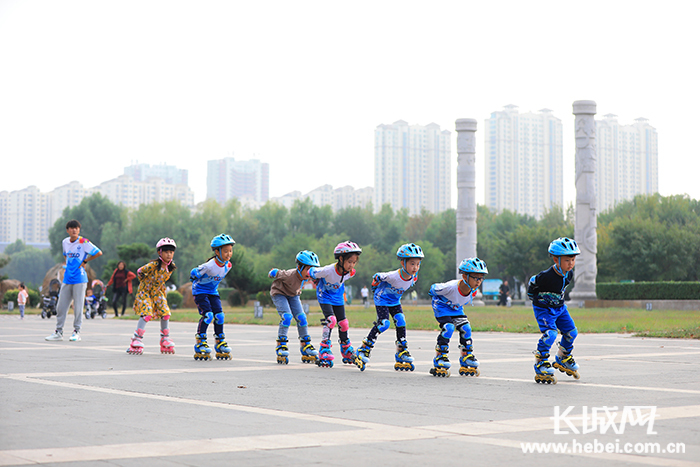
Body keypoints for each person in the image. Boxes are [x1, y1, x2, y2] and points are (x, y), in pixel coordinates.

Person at [355, 243, 423, 372]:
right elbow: (377, 277)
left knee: (401, 320)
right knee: (384, 324)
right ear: (403, 263)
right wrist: (375, 287)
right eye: (412, 264)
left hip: (394, 300)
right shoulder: (393, 276)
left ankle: (401, 351)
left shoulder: (414, 277)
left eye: (418, 264)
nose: (415, 267)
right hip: (382, 299)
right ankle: (364, 349)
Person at [528, 237, 581, 384]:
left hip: (560, 308)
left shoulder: (569, 274)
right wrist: (534, 298)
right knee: (550, 334)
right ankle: (541, 362)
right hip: (544, 308)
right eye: (567, 260)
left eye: (573, 260)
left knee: (572, 332)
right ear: (556, 260)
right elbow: (533, 282)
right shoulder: (546, 276)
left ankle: (563, 357)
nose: (570, 264)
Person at [428, 257, 488, 378]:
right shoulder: (450, 287)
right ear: (465, 276)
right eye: (475, 277)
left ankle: (466, 356)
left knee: (466, 328)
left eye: (481, 278)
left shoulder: (473, 290)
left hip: (456, 308)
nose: (478, 281)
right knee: (449, 327)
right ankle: (440, 356)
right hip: (442, 305)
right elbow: (433, 288)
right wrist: (437, 297)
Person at [45, 220, 103, 342]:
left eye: (76, 228)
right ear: (67, 230)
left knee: (78, 306)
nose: (74, 230)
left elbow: (98, 252)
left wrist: (85, 261)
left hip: (80, 279)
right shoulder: (65, 242)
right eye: (71, 228)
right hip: (67, 278)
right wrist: (68, 264)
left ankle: (77, 331)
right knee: (61, 306)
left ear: (79, 229)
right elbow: (65, 255)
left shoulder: (83, 242)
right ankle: (58, 332)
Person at [309, 241, 361, 368]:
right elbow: (312, 272)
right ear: (341, 259)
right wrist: (314, 278)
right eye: (349, 262)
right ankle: (324, 348)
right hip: (325, 295)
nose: (352, 265)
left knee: (343, 323)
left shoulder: (351, 272)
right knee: (331, 320)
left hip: (337, 297)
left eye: (354, 262)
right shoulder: (327, 270)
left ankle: (346, 348)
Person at [126, 238, 177, 355]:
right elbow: (140, 271)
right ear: (160, 253)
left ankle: (165, 338)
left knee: (166, 313)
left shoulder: (171, 267)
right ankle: (136, 339)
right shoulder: (153, 265)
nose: (169, 254)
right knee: (147, 313)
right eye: (166, 252)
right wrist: (145, 282)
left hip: (158, 292)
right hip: (145, 291)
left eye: (171, 252)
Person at [269, 250, 320, 364]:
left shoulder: (308, 277)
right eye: (307, 269)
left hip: (293, 295)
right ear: (299, 267)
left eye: (312, 270)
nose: (309, 273)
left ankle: (305, 345)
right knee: (287, 317)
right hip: (279, 293)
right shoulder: (290, 275)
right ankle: (281, 345)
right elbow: (277, 272)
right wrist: (272, 272)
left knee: (302, 318)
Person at [191, 234, 235, 361]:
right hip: (200, 291)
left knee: (220, 316)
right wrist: (194, 278)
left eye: (230, 251)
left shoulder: (228, 265)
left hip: (213, 291)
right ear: (217, 251)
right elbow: (194, 272)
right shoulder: (209, 266)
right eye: (225, 251)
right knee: (208, 315)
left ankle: (219, 342)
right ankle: (200, 342)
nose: (228, 254)